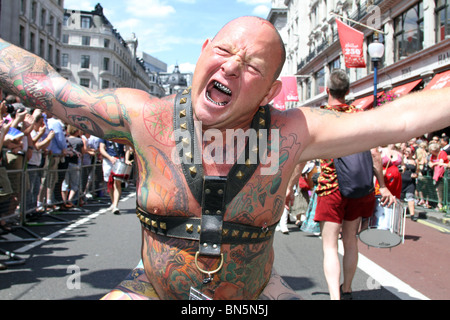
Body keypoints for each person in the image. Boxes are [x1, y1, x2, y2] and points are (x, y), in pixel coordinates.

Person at [0, 16, 450, 300]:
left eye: (252, 66)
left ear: (271, 92)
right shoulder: (141, 116)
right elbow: (46, 85)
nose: (232, 67)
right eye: (223, 52)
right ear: (202, 54)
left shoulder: (295, 131)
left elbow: (406, 116)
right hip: (151, 288)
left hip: (258, 291)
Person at [312, 70, 395, 300]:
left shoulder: (320, 117)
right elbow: (375, 155)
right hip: (359, 187)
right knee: (350, 241)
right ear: (348, 92)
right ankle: (347, 289)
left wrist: (288, 186)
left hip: (330, 188)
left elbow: (302, 156)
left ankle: (334, 297)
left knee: (329, 246)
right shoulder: (359, 115)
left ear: (327, 90)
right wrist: (383, 186)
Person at [61, 125, 84, 208]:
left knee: (65, 183)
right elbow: (83, 151)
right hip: (75, 163)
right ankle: (69, 200)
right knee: (75, 184)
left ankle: (64, 201)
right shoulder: (79, 140)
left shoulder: (66, 139)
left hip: (66, 162)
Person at [99, 139, 124, 215]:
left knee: (117, 183)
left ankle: (115, 205)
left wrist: (126, 159)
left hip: (119, 159)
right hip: (108, 160)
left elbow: (127, 148)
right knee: (109, 183)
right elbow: (101, 149)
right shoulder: (104, 136)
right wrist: (110, 157)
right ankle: (113, 202)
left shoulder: (121, 135)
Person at [428, 142, 449, 211]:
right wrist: (433, 163)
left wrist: (434, 163)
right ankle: (440, 204)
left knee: (441, 190)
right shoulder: (433, 156)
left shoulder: (442, 153)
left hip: (443, 176)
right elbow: (430, 162)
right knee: (437, 190)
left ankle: (442, 204)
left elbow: (440, 163)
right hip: (435, 175)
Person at [401, 146, 418, 221]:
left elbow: (417, 172)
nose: (406, 153)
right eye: (405, 151)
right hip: (401, 181)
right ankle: (399, 212)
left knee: (410, 197)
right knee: (400, 199)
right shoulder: (401, 159)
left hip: (410, 182)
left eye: (408, 151)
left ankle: (412, 215)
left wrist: (415, 175)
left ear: (412, 153)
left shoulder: (415, 161)